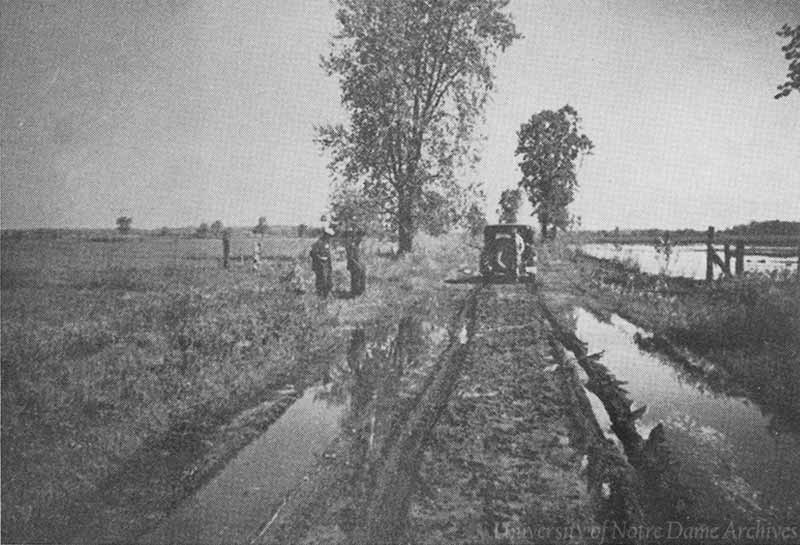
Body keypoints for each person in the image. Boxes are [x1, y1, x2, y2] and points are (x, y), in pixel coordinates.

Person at [310, 227, 334, 297]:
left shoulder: (327, 243)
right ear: (325, 235)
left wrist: (329, 266)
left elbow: (328, 255)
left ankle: (326, 295)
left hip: (326, 265)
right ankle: (320, 296)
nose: (329, 238)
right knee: (321, 280)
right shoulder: (318, 243)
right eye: (328, 236)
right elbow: (312, 253)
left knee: (328, 280)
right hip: (319, 266)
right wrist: (320, 258)